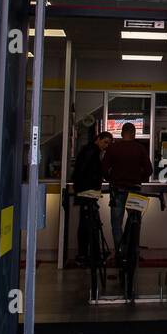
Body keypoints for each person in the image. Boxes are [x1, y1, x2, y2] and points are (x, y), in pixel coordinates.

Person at [101, 122, 153, 300]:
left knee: (116, 222)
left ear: (122, 133)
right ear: (134, 133)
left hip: (117, 190)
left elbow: (103, 169)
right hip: (135, 189)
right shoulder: (139, 149)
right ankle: (133, 251)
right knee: (135, 221)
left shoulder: (113, 149)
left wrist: (111, 178)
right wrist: (139, 178)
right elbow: (149, 170)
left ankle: (120, 251)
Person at [71, 127, 111, 299]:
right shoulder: (91, 152)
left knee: (87, 223)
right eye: (105, 142)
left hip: (86, 193)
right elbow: (84, 171)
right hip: (87, 193)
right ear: (98, 139)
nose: (106, 146)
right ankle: (86, 254)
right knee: (88, 224)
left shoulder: (89, 150)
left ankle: (86, 254)